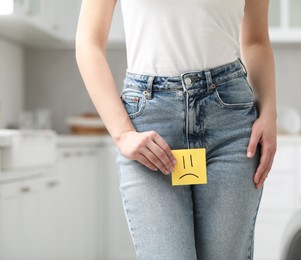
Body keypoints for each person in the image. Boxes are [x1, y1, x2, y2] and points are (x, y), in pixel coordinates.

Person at [76, 0, 277, 259]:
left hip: (230, 120)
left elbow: (256, 40)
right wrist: (122, 132)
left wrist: (269, 112)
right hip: (150, 125)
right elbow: (88, 43)